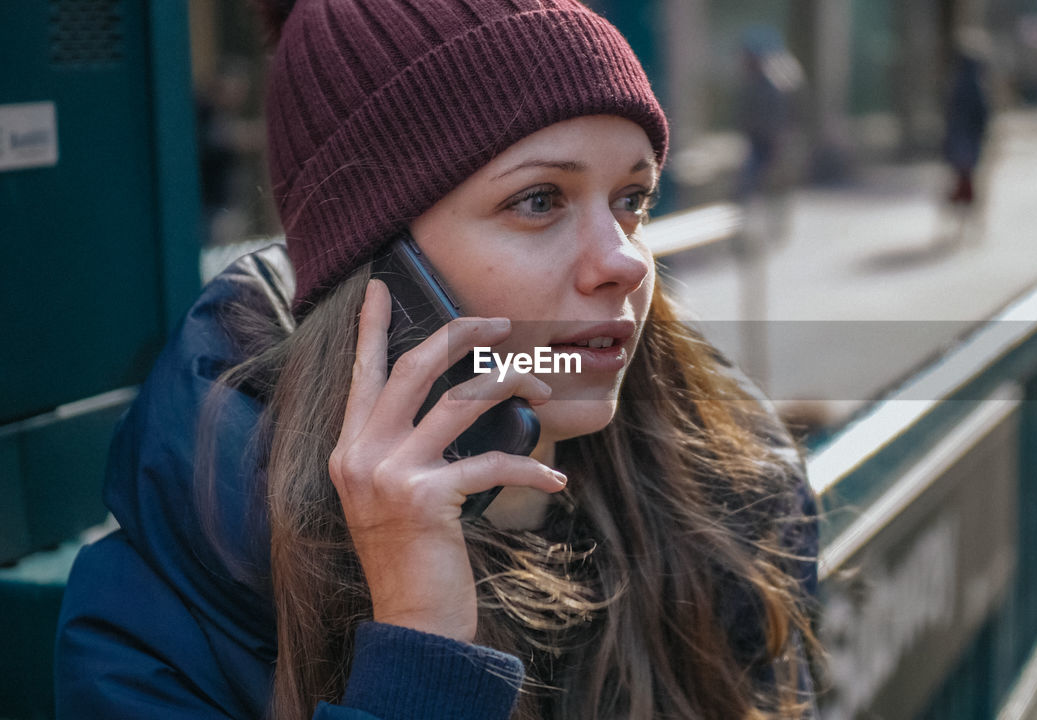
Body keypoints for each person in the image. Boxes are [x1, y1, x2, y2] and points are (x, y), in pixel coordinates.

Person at [54, 1, 820, 720]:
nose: (622, 260)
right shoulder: (159, 621)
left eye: (633, 200)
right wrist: (421, 650)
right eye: (540, 201)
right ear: (385, 280)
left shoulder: (730, 497)